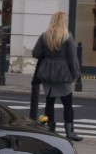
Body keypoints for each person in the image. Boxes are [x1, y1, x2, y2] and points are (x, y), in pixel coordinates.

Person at [32, 10, 82, 141]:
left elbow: (35, 53)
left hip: (47, 72)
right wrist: (76, 74)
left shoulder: (45, 36)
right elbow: (72, 58)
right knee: (67, 103)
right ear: (63, 22)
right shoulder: (67, 36)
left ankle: (50, 129)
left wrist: (47, 54)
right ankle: (70, 132)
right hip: (63, 73)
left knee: (49, 102)